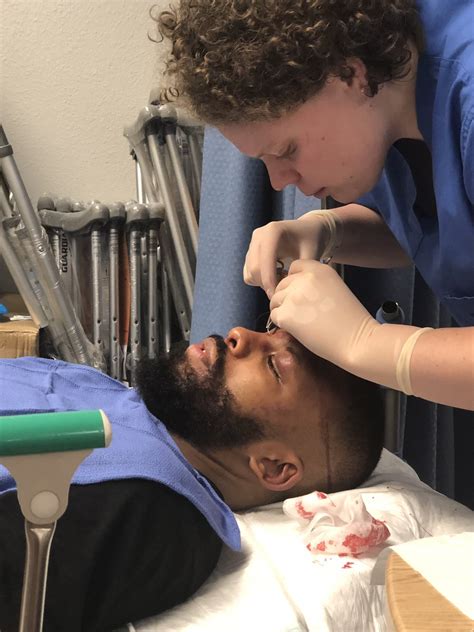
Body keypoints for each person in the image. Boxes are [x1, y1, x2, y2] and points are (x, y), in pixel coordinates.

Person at [155, 0, 474, 412]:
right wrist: (327, 231)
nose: (279, 180)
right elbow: (440, 230)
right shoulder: (382, 106)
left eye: (287, 149)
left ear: (349, 74)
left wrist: (370, 344)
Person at [0, 328, 384, 631]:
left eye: (274, 366)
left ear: (273, 467)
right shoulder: (119, 398)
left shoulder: (152, 514)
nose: (238, 335)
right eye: (267, 330)